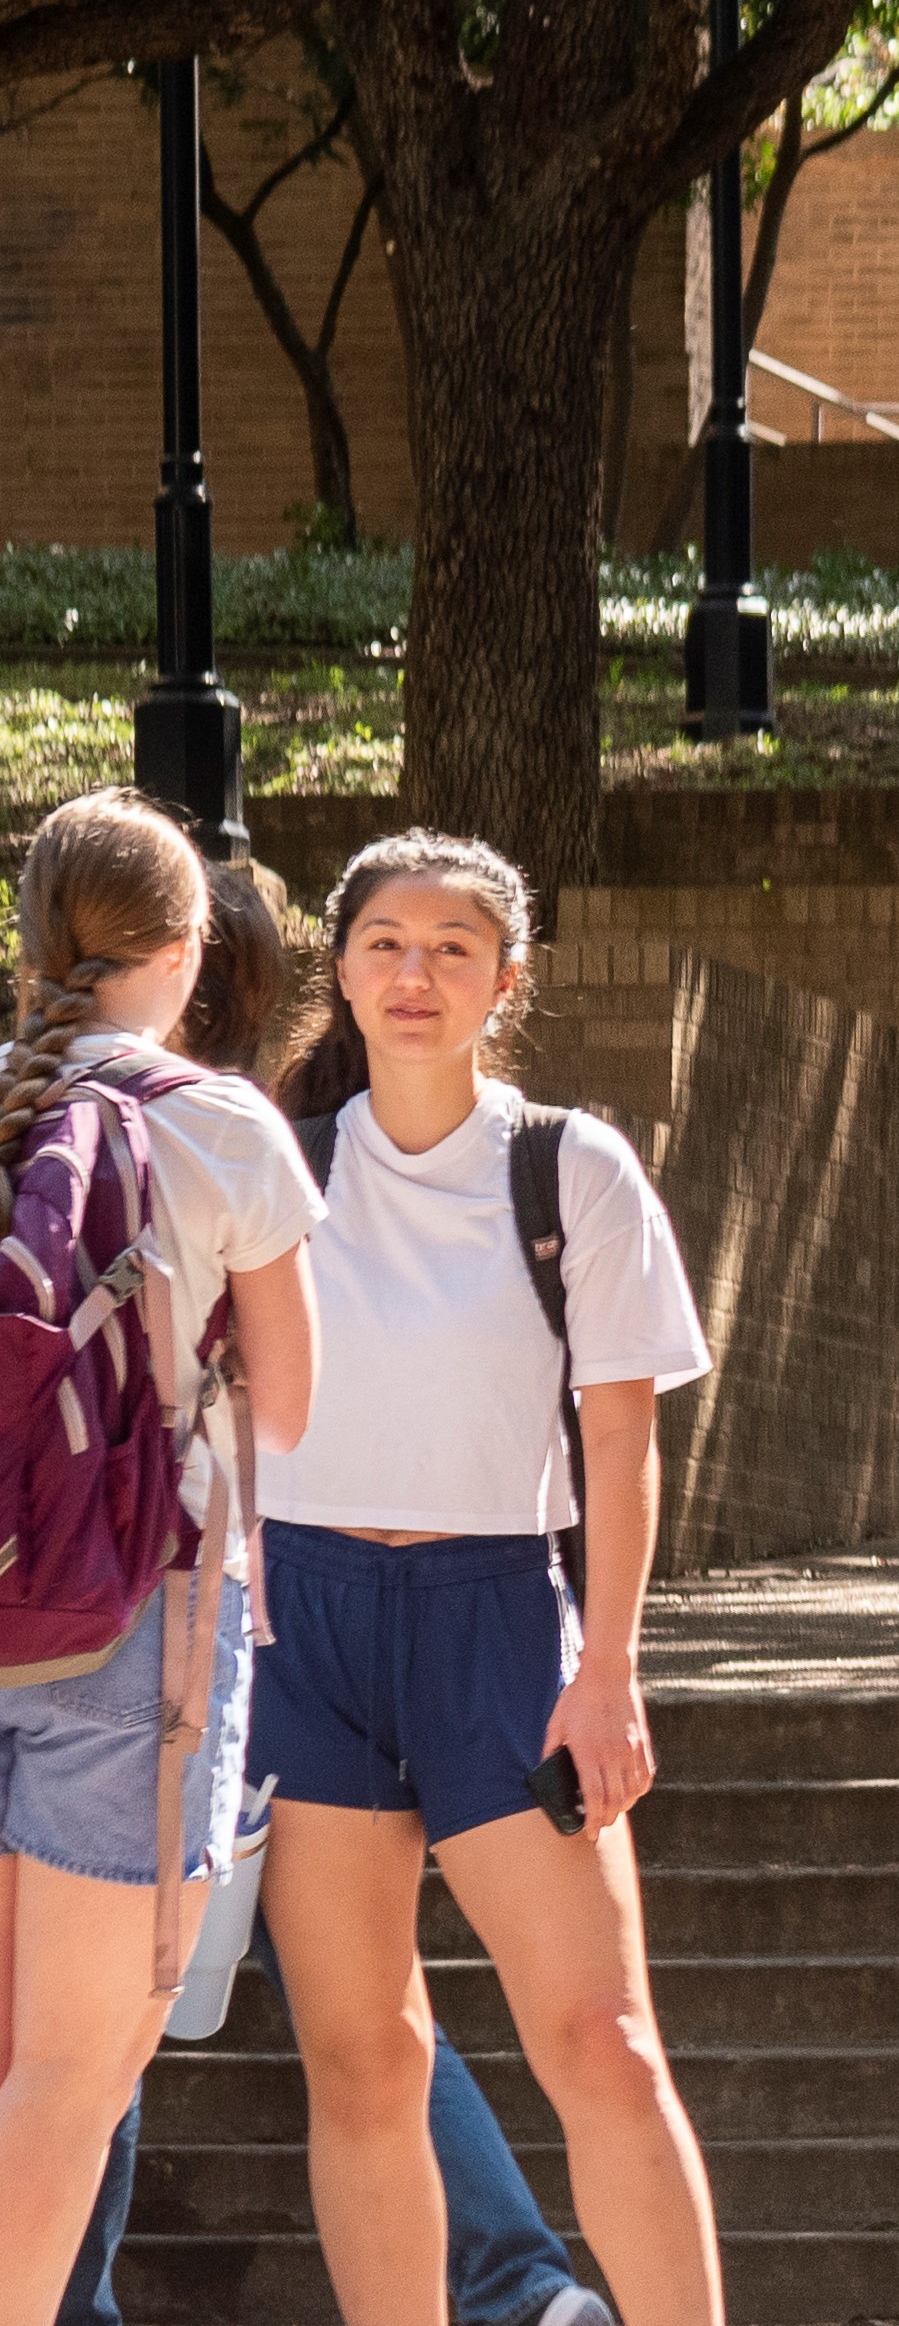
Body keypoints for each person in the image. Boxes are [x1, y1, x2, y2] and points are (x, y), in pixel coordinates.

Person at [67, 859, 607, 2326]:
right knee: (262, 2021)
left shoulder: (105, 1126)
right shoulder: (236, 1140)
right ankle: (515, 2281)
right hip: (196, 1612)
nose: (405, 974)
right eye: (381, 945)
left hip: (124, 1609)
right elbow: (286, 1410)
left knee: (150, 2021)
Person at [259, 832, 725, 2326]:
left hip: (504, 1627)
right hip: (305, 1627)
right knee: (364, 2057)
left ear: (505, 982)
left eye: (455, 946)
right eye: (386, 941)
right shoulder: (277, 1162)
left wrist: (611, 1671)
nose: (416, 972)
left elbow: (621, 1438)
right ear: (340, 969)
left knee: (604, 2043)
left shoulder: (567, 1168)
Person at [0, 797, 321, 2326]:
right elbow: (301, 1405)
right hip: (135, 1613)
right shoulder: (221, 1123)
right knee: (75, 2071)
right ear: (190, 948)